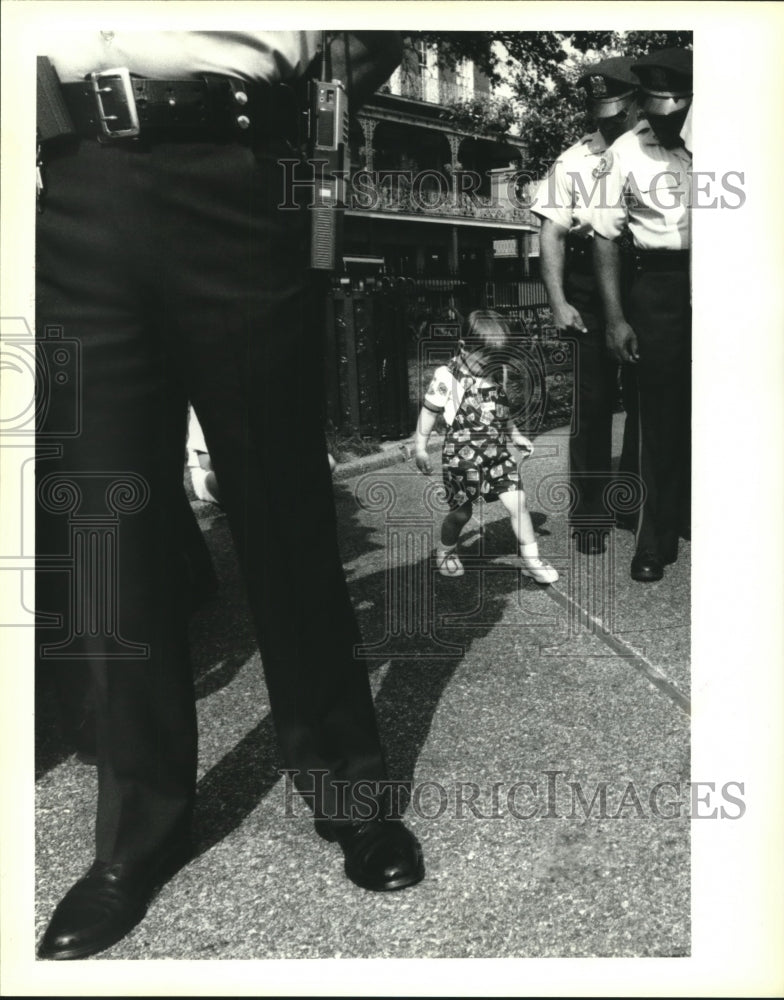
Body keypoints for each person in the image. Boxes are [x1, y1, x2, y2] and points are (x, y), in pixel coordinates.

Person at [35, 30, 423, 962]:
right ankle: (138, 830)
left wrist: (309, 124)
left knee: (284, 510)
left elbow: (377, 33)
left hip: (242, 171)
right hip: (69, 183)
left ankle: (347, 790)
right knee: (105, 529)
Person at [591, 47, 693, 582]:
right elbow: (606, 238)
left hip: (726, 281)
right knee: (657, 415)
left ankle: (700, 514)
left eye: (672, 108)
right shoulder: (625, 153)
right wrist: (615, 318)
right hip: (658, 285)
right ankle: (653, 540)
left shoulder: (726, 142)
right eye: (653, 108)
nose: (662, 118)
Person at [532, 56, 640, 555]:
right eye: (600, 113)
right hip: (586, 287)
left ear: (634, 103)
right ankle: (590, 513)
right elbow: (551, 231)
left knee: (645, 401)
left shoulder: (655, 150)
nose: (607, 123)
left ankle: (637, 503)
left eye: (615, 113)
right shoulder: (571, 160)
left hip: (642, 278)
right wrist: (557, 301)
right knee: (592, 404)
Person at [413, 310, 558, 584]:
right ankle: (446, 551)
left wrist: (516, 435)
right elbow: (429, 412)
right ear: (464, 348)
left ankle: (532, 561)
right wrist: (420, 446)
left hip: (497, 455)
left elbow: (501, 413)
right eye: (486, 358)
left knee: (519, 503)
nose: (492, 364)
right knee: (461, 512)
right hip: (461, 458)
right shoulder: (448, 377)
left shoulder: (493, 374)